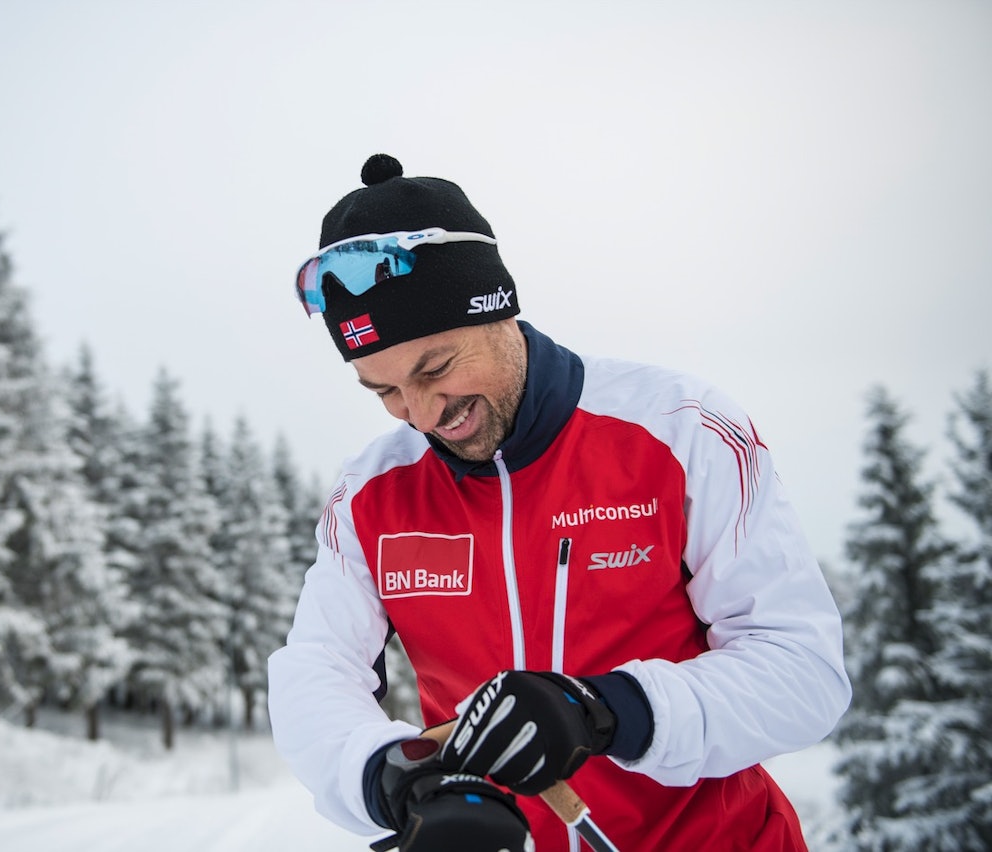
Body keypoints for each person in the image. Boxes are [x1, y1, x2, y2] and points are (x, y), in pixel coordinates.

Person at [267, 153, 851, 852]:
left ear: (499, 310)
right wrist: (393, 778)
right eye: (384, 390)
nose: (420, 414)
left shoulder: (678, 429)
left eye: (438, 368)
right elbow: (314, 673)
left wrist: (604, 711)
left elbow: (802, 671)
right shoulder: (369, 496)